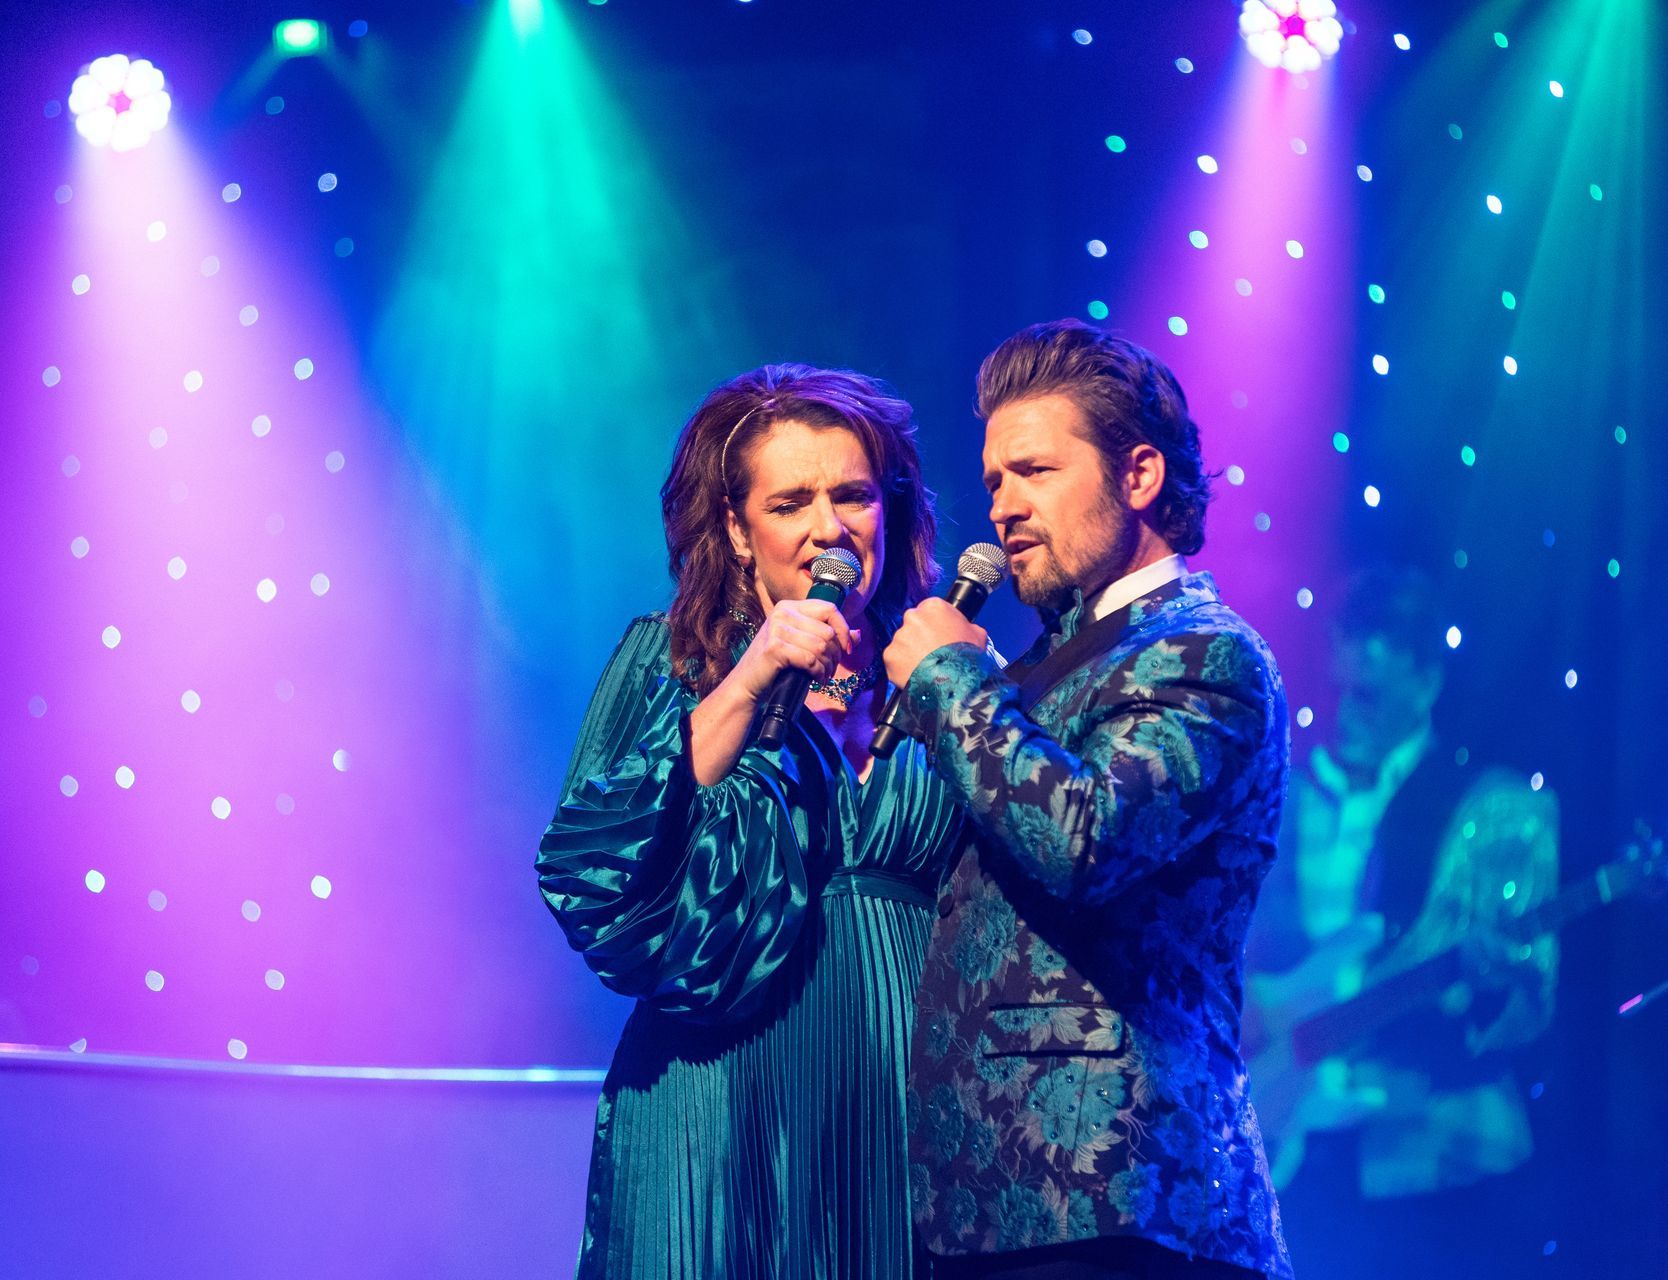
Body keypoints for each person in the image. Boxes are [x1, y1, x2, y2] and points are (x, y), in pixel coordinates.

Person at [880, 320, 1293, 1280]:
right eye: (993, 482)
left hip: (1116, 1203)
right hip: (985, 1210)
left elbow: (1088, 836)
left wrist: (946, 678)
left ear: (1139, 475)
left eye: (1034, 471)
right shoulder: (1033, 667)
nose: (1005, 509)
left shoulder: (1206, 655)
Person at [536, 365, 965, 1280]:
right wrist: (752, 675)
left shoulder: (938, 670)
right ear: (736, 529)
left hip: (898, 1103)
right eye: (790, 502)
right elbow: (588, 873)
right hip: (720, 1101)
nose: (828, 528)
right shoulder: (671, 660)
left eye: (852, 495)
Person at [1240, 565, 1559, 1277]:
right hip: (1300, 1154)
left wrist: (1486, 990)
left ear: (1427, 680)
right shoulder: (1281, 796)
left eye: (1370, 695)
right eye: (1338, 690)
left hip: (1435, 1162)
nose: (1346, 713)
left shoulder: (1490, 807)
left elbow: (1528, 1003)